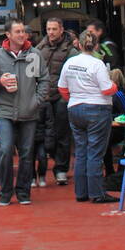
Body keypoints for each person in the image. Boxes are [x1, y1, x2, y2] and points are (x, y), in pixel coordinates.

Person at [0, 18, 49, 206]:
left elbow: (44, 80)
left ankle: (23, 192)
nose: (22, 35)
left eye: (23, 32)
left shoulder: (34, 55)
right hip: (4, 112)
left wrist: (36, 101)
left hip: (29, 112)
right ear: (8, 35)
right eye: (18, 32)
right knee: (4, 151)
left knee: (27, 153)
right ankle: (5, 192)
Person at [57, 30, 119, 203]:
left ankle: (81, 192)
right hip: (97, 109)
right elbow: (107, 89)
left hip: (75, 109)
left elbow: (62, 88)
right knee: (95, 153)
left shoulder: (70, 63)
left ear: (78, 44)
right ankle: (97, 193)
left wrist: (75, 99)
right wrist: (115, 84)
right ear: (96, 45)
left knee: (81, 152)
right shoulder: (97, 64)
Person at [34, 18, 78, 186]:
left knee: (62, 133)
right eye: (48, 29)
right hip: (43, 96)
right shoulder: (39, 49)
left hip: (61, 96)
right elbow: (32, 71)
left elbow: (74, 73)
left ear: (61, 30)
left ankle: (61, 169)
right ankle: (49, 161)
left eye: (54, 29)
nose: (51, 32)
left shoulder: (70, 50)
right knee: (43, 133)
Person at [104, 68, 125, 178]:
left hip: (117, 130)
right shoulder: (113, 94)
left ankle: (109, 171)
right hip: (109, 128)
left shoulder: (119, 95)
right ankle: (108, 171)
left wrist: (112, 117)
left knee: (105, 141)